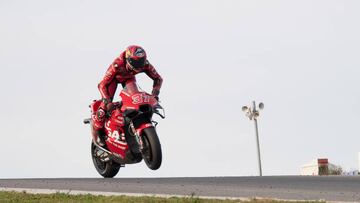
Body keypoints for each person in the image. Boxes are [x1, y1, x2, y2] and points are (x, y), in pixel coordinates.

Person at [93, 45, 163, 146]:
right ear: (127, 59)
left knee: (136, 99)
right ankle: (97, 131)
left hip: (129, 78)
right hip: (113, 79)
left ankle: (135, 122)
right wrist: (107, 100)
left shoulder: (144, 64)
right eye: (135, 63)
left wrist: (155, 94)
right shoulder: (117, 64)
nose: (138, 67)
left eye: (141, 63)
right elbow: (102, 84)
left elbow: (158, 79)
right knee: (104, 106)